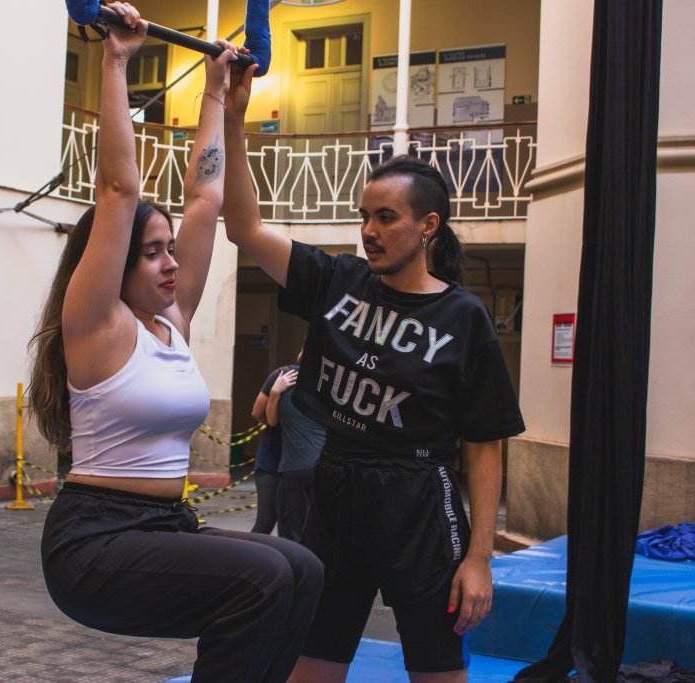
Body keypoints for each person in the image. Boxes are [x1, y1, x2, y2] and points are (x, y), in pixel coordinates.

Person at [29, 6, 322, 683]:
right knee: (263, 579)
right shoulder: (96, 324)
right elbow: (117, 188)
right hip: (94, 540)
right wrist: (116, 60)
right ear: (114, 266)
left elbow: (206, 200)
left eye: (170, 251)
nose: (170, 264)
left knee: (302, 569)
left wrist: (218, 91)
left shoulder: (173, 321)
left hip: (164, 524)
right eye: (152, 254)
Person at [222, 63, 525, 682]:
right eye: (366, 215)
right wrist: (232, 118)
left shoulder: (462, 317)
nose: (368, 231)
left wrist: (480, 559)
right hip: (334, 493)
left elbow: (485, 446)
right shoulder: (339, 280)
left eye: (386, 217)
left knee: (437, 668)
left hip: (418, 499)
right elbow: (244, 229)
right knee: (312, 663)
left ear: (427, 227)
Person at [261, 350, 325, 543]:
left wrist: (274, 392)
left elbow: (269, 420)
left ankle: (299, 571)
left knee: (292, 532)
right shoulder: (330, 383)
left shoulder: (285, 376)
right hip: (325, 466)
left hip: (296, 468)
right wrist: (274, 394)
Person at [250, 384, 281, 535]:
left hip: (297, 465)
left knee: (292, 524)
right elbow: (257, 413)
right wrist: (275, 393)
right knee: (265, 521)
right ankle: (248, 557)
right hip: (271, 462)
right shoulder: (280, 377)